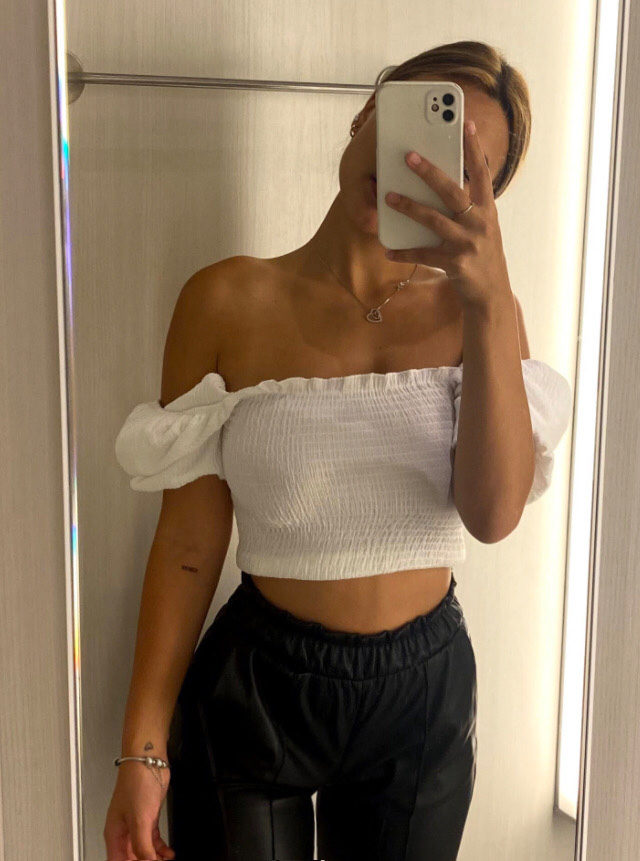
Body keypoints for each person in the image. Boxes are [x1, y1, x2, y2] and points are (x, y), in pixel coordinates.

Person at [104, 39, 573, 861]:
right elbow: (187, 541)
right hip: (256, 688)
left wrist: (490, 298)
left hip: (423, 697)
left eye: (459, 167)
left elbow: (493, 515)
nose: (418, 165)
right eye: (418, 123)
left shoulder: (481, 319)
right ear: (368, 112)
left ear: (481, 203)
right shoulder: (224, 300)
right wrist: (142, 748)